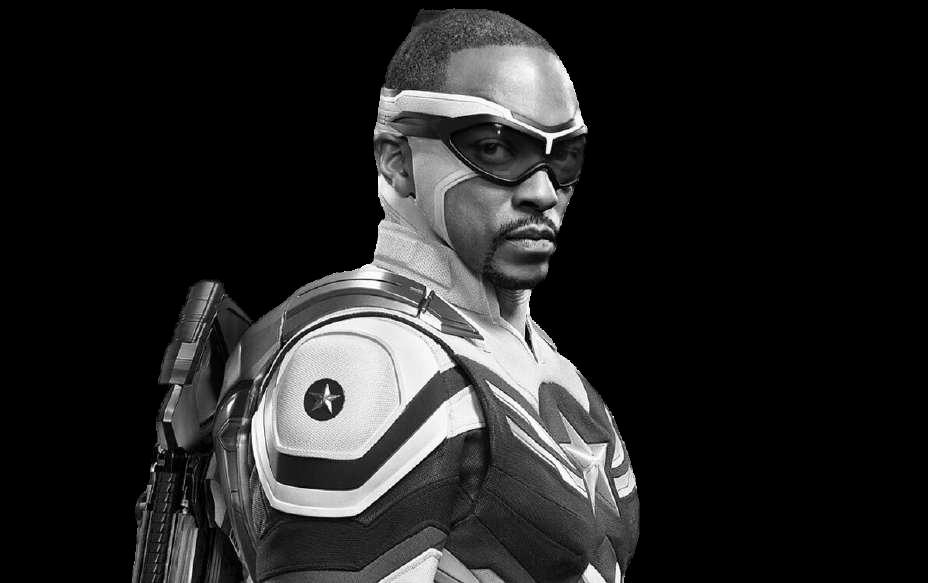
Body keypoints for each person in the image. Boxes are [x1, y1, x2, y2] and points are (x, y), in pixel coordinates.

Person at [137, 9, 638, 583]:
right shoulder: (370, 362)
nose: (543, 192)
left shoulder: (547, 367)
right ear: (398, 162)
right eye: (497, 149)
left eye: (564, 156)